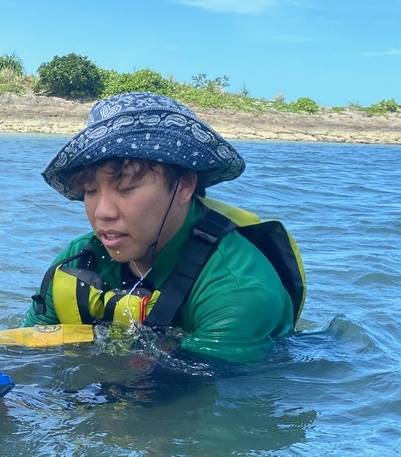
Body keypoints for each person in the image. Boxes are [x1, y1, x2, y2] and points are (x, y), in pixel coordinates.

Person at [22, 92, 305, 364]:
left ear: (184, 186)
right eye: (90, 190)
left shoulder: (238, 291)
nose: (102, 213)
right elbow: (24, 355)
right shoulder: (78, 260)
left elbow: (180, 404)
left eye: (126, 188)